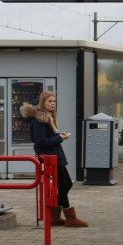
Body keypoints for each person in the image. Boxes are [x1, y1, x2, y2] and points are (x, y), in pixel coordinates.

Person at [21, 92, 88, 227]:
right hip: (50, 156)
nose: (52, 104)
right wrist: (60, 138)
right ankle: (70, 218)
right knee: (64, 185)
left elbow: (47, 137)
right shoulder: (40, 119)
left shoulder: (48, 117)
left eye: (54, 101)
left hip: (55, 154)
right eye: (49, 101)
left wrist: (59, 135)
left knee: (66, 184)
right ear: (42, 102)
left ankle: (55, 217)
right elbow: (40, 142)